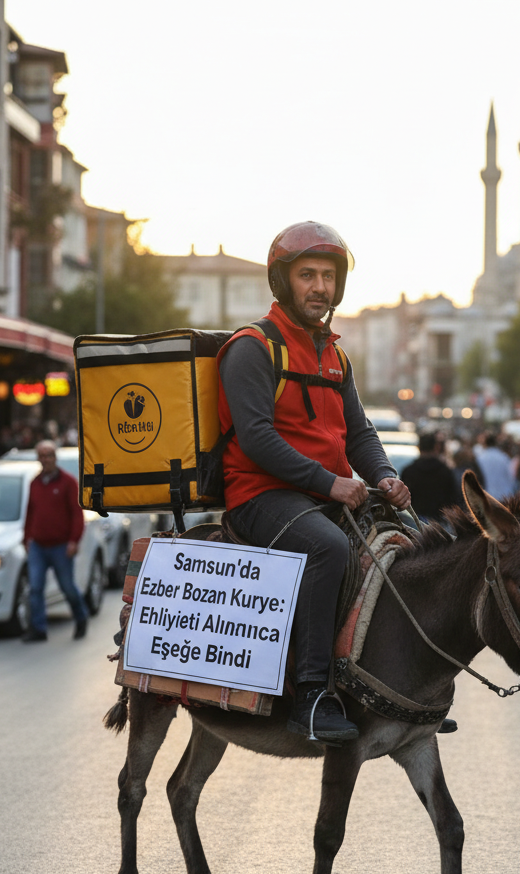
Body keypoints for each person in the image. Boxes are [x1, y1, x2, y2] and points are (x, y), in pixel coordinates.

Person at [217, 222, 410, 744]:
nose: (320, 287)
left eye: (328, 276)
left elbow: (359, 432)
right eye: (307, 275)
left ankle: (395, 688)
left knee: (408, 544)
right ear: (282, 282)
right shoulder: (252, 348)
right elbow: (256, 439)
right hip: (259, 497)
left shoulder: (335, 355)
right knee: (329, 549)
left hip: (316, 495)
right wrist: (330, 484)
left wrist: (385, 477)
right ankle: (312, 696)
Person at [22, 440, 88, 642]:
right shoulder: (34, 483)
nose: (46, 459)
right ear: (38, 459)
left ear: (55, 458)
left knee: (67, 587)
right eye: (42, 456)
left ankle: (81, 618)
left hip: (61, 546)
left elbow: (77, 515)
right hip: (38, 546)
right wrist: (27, 538)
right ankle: (38, 629)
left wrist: (74, 541)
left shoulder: (68, 482)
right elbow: (30, 513)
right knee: (35, 588)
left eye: (49, 455)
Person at [400, 433, 458, 523]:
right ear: (436, 447)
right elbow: (453, 497)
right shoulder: (445, 471)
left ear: (419, 447)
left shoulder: (408, 471)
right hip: (439, 521)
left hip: (415, 521)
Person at [474, 433, 515, 501]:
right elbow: (511, 476)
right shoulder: (503, 457)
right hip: (505, 495)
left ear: (484, 444)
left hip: (488, 495)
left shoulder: (480, 459)